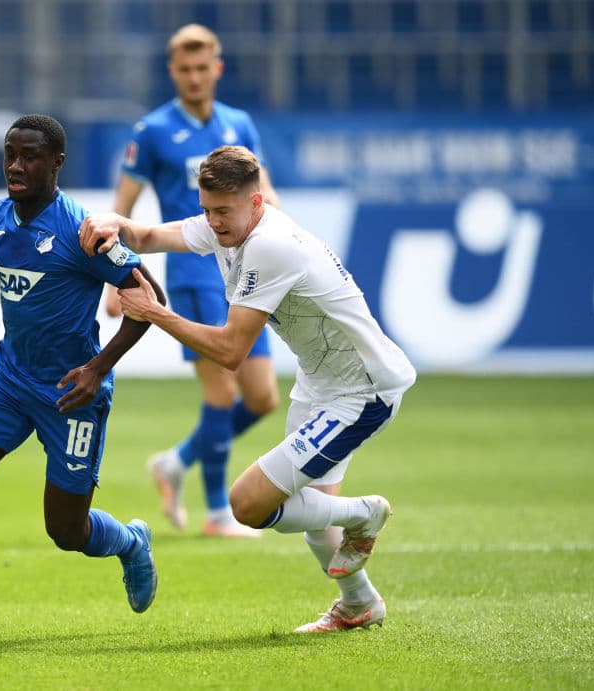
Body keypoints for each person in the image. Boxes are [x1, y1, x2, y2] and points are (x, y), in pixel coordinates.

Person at [80, 145, 417, 633]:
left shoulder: (269, 246)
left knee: (249, 503)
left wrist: (155, 311)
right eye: (207, 209)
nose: (212, 221)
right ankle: (358, 605)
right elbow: (152, 234)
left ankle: (366, 515)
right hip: (320, 383)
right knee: (316, 522)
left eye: (223, 211)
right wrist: (117, 222)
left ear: (256, 204)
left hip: (363, 390)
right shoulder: (229, 227)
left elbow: (232, 350)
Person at [0, 114, 163, 638]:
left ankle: (132, 543)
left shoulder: (83, 231)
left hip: (72, 392)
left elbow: (149, 300)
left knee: (65, 531)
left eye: (29, 157)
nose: (16, 166)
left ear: (57, 163)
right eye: (9, 156)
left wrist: (97, 369)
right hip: (9, 381)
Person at [106, 23, 282, 538]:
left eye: (202, 68)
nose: (194, 77)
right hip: (192, 271)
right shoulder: (154, 131)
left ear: (217, 69)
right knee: (221, 392)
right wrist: (112, 279)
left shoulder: (238, 124)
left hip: (246, 272)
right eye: (184, 69)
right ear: (172, 72)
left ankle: (177, 462)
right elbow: (123, 207)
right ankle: (216, 514)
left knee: (263, 397)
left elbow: (264, 192)